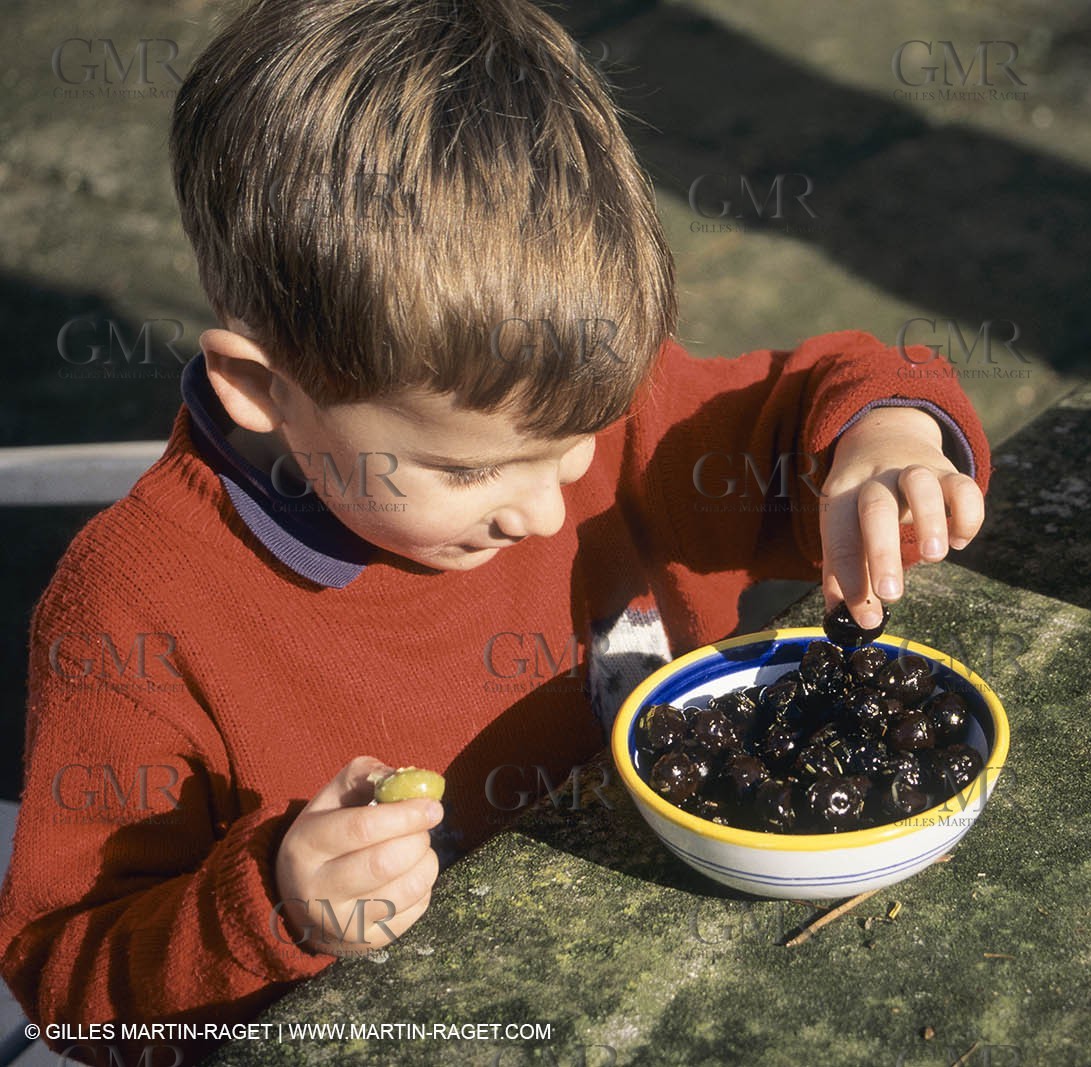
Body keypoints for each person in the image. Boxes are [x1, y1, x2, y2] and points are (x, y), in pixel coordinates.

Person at [0, 0, 990, 1061]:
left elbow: (817, 395)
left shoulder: (584, 402)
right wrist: (272, 906)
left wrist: (886, 439)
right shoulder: (138, 612)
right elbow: (70, 980)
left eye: (578, 439)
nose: (547, 508)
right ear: (259, 385)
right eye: (468, 469)